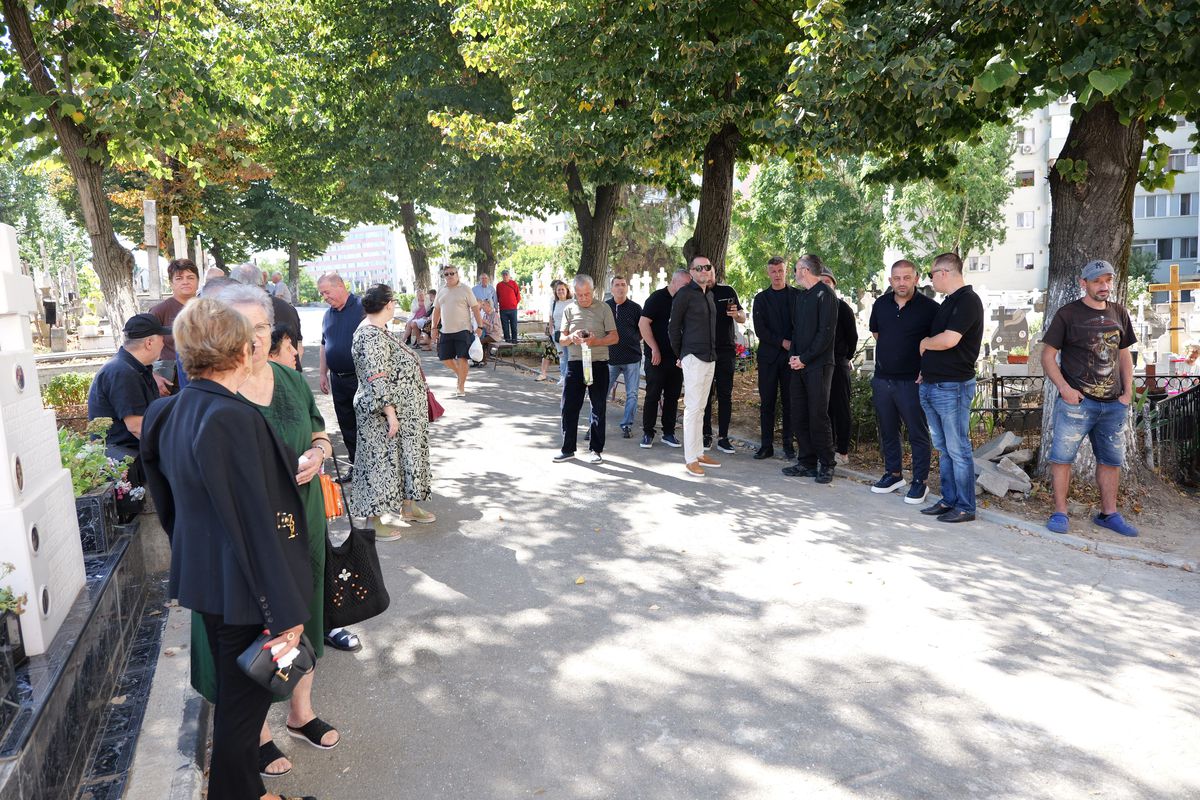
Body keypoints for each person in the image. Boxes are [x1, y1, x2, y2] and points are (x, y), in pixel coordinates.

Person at [139, 297, 316, 800]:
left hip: (208, 576)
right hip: (248, 587)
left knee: (239, 711)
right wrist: (284, 610)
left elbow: (168, 504)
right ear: (243, 350)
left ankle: (248, 792)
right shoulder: (235, 418)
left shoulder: (166, 411)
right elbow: (260, 524)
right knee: (243, 715)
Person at [190, 284, 342, 779]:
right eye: (241, 327)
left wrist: (318, 453)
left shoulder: (288, 378)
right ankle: (255, 734)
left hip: (304, 518)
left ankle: (300, 712)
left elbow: (319, 427)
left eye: (261, 328)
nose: (253, 339)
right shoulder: (214, 389)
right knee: (252, 632)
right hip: (249, 536)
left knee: (304, 616)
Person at [1041, 259, 1138, 537]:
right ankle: (1060, 512)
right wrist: (1064, 389)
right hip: (1078, 403)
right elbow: (1047, 356)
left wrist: (1128, 392)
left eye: (1108, 280)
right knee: (1062, 458)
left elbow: (1123, 354)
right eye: (1097, 281)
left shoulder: (1119, 312)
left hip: (1113, 404)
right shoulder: (1068, 314)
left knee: (1111, 460)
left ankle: (1109, 514)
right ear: (1083, 284)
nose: (1104, 286)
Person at [350, 284, 436, 532]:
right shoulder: (369, 334)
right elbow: (376, 377)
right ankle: (373, 521)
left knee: (405, 459)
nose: (395, 306)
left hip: (404, 413)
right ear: (388, 304)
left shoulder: (379, 330)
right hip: (383, 415)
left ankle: (407, 506)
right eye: (394, 302)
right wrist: (390, 415)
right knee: (378, 464)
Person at [917, 252, 984, 524]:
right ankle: (949, 500)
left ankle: (966, 506)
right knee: (944, 449)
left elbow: (949, 340)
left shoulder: (968, 301)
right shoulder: (948, 302)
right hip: (934, 384)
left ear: (944, 272)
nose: (931, 279)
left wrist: (923, 344)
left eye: (932, 274)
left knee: (958, 449)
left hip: (952, 387)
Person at [868, 259, 939, 505]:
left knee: (917, 433)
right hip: (883, 379)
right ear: (890, 280)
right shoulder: (880, 304)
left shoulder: (930, 308)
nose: (901, 282)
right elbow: (877, 334)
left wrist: (926, 369)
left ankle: (920, 482)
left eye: (907, 277)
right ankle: (894, 474)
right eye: (897, 278)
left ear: (916, 279)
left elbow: (936, 342)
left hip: (913, 381)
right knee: (888, 430)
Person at [783, 255, 838, 484]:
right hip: (799, 364)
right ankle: (806, 461)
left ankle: (826, 463)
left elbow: (825, 334)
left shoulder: (826, 295)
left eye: (796, 269)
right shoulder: (802, 297)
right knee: (799, 414)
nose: (794, 274)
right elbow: (796, 332)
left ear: (805, 270)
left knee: (817, 415)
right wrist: (794, 358)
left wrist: (804, 358)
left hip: (819, 365)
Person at [87, 313, 169, 461]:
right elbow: (137, 427)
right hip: (126, 462)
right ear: (149, 343)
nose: (164, 344)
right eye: (162, 339)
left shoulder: (131, 366)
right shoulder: (123, 372)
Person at [555, 275, 618, 463]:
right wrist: (572, 337)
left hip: (598, 362)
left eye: (587, 294)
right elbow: (561, 339)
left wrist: (595, 341)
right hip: (575, 362)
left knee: (598, 406)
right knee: (568, 406)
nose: (583, 298)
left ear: (593, 291)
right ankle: (568, 449)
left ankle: (596, 450)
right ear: (574, 292)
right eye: (580, 295)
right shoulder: (569, 309)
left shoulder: (604, 308)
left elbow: (614, 337)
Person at [669, 255, 721, 477]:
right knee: (692, 409)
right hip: (693, 357)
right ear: (691, 272)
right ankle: (690, 459)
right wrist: (681, 354)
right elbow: (673, 328)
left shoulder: (708, 294)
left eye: (707, 267)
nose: (704, 271)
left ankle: (699, 452)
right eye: (699, 268)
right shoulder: (684, 294)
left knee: (701, 408)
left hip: (710, 357)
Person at [638, 269, 692, 449]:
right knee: (653, 394)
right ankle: (648, 432)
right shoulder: (657, 298)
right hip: (656, 357)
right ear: (674, 282)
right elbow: (643, 324)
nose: (688, 288)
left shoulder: (685, 300)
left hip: (676, 358)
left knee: (672, 396)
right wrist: (654, 348)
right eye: (685, 285)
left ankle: (668, 432)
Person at [317, 273, 364, 470]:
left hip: (361, 378)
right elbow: (324, 345)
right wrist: (322, 373)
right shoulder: (328, 314)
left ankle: (373, 471)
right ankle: (356, 467)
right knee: (347, 426)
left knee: (366, 425)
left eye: (327, 292)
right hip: (338, 380)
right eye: (322, 293)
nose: (325, 297)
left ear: (340, 286)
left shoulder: (363, 308)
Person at [751, 256, 795, 460]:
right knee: (767, 403)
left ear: (785, 271)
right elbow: (761, 330)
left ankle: (788, 445)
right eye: (773, 271)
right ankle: (766, 445)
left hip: (791, 359)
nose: (777, 275)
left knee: (790, 403)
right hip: (768, 358)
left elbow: (801, 325)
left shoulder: (797, 296)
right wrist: (782, 342)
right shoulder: (761, 299)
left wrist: (792, 345)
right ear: (768, 273)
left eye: (780, 271)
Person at [819, 270, 858, 466]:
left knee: (841, 408)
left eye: (828, 282)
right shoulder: (814, 306)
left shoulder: (843, 308)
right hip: (819, 365)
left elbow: (853, 338)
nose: (825, 285)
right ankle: (827, 447)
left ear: (834, 284)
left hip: (839, 363)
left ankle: (842, 451)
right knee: (824, 409)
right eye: (821, 281)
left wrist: (845, 357)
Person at [702, 276, 745, 455]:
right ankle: (705, 434)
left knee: (725, 395)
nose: (707, 276)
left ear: (714, 273)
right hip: (703, 351)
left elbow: (742, 317)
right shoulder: (696, 293)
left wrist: (736, 315)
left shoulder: (727, 291)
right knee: (705, 395)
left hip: (726, 351)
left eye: (710, 271)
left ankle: (724, 437)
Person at [430, 265, 484, 398]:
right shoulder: (441, 291)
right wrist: (433, 328)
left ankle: (461, 387)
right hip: (445, 331)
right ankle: (460, 374)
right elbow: (436, 310)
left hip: (463, 330)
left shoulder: (465, 289)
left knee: (462, 358)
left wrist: (480, 326)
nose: (449, 276)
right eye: (446, 274)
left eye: (451, 273)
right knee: (445, 358)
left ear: (457, 274)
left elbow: (475, 308)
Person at [233, 263, 302, 368]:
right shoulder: (288, 308)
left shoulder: (240, 310)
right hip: (291, 374)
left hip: (268, 376)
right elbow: (299, 346)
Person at [149, 257, 200, 395]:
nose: (185, 282)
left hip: (204, 379)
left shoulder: (208, 309)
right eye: (179, 278)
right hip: (171, 383)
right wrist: (152, 376)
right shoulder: (160, 311)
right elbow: (138, 346)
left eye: (190, 277)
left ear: (197, 281)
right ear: (171, 283)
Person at [605, 275, 643, 438]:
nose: (620, 287)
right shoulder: (605, 307)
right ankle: (595, 424)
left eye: (623, 284)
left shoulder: (635, 308)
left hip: (632, 358)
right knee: (601, 393)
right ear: (612, 288)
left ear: (627, 288)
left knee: (632, 394)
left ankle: (627, 424)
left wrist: (632, 339)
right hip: (610, 358)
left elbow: (642, 330)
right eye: (617, 285)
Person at [537, 280, 572, 384]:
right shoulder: (554, 303)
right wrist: (551, 331)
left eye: (562, 289)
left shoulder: (572, 302)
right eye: (558, 290)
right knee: (562, 356)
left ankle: (569, 377)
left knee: (570, 356)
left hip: (569, 333)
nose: (560, 291)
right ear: (556, 292)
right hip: (557, 334)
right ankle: (563, 376)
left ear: (566, 290)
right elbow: (551, 317)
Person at [474, 299, 504, 367]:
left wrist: (487, 323)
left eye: (484, 305)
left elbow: (496, 328)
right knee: (478, 341)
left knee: (481, 342)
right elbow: (485, 327)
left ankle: (481, 361)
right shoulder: (486, 315)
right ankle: (479, 361)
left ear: (488, 305)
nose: (482, 307)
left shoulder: (495, 315)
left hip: (495, 335)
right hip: (489, 334)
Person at [496, 268, 522, 343]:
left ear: (509, 275)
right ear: (502, 276)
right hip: (503, 310)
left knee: (514, 326)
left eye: (506, 275)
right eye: (503, 275)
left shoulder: (513, 283)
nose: (505, 276)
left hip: (513, 309)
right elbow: (498, 296)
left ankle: (514, 341)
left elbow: (518, 296)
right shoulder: (499, 285)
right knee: (505, 327)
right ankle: (507, 342)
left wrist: (514, 304)